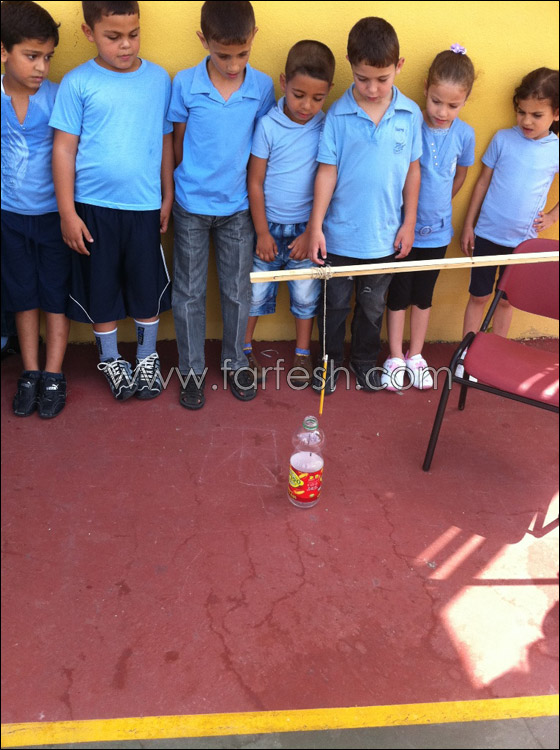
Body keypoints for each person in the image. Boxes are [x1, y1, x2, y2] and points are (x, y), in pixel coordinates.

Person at [50, 0, 173, 401]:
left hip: (144, 206)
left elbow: (165, 140)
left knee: (145, 285)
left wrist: (167, 194)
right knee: (100, 288)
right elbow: (64, 149)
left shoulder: (158, 79)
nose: (126, 45)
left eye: (133, 35)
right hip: (92, 208)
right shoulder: (77, 83)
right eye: (113, 36)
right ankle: (110, 359)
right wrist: (67, 212)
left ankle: (147, 357)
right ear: (89, 33)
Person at [169, 0, 275, 410]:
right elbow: (178, 142)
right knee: (189, 293)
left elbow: (261, 149)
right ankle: (191, 371)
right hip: (191, 206)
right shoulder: (185, 84)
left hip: (238, 208)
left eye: (242, 54)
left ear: (254, 38)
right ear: (204, 41)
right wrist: (182, 187)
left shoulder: (261, 87)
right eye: (223, 55)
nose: (233, 65)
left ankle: (234, 361)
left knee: (236, 291)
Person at [308, 16, 422, 395]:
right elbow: (326, 172)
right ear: (350, 66)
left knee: (372, 309)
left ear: (399, 66)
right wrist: (316, 226)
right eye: (362, 78)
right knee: (334, 308)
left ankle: (363, 362)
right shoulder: (337, 115)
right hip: (339, 238)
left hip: (383, 237)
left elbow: (413, 172)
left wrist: (409, 222)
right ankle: (328, 364)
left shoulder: (410, 114)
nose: (372, 89)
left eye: (382, 79)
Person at [383, 45, 475, 391]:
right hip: (401, 230)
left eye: (453, 105)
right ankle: (395, 356)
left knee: (423, 296)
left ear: (465, 101)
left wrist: (440, 204)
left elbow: (461, 174)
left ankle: (416, 354)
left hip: (437, 234)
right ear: (425, 88)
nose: (442, 111)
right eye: (437, 101)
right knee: (398, 294)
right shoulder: (409, 124)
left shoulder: (465, 134)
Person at [243, 40, 335, 386]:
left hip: (306, 232)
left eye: (317, 98)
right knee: (254, 294)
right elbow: (255, 182)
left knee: (305, 295)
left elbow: (329, 182)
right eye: (298, 95)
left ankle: (302, 353)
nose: (307, 105)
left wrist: (312, 231)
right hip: (267, 229)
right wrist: (262, 233)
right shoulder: (268, 126)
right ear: (283, 82)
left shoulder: (326, 127)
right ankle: (243, 348)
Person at [458, 67, 558, 368]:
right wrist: (468, 225)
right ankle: (465, 354)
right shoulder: (502, 139)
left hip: (523, 243)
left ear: (556, 114)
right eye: (521, 112)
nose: (526, 121)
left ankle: (494, 353)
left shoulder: (555, 150)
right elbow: (482, 183)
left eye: (536, 115)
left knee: (506, 301)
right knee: (478, 297)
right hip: (488, 235)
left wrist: (553, 217)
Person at [1, 0, 70, 418]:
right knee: (23, 295)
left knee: (54, 295)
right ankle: (30, 371)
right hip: (9, 218)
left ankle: (54, 373)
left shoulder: (59, 98)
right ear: (3, 51)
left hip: (54, 218)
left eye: (48, 57)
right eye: (31, 56)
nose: (42, 67)